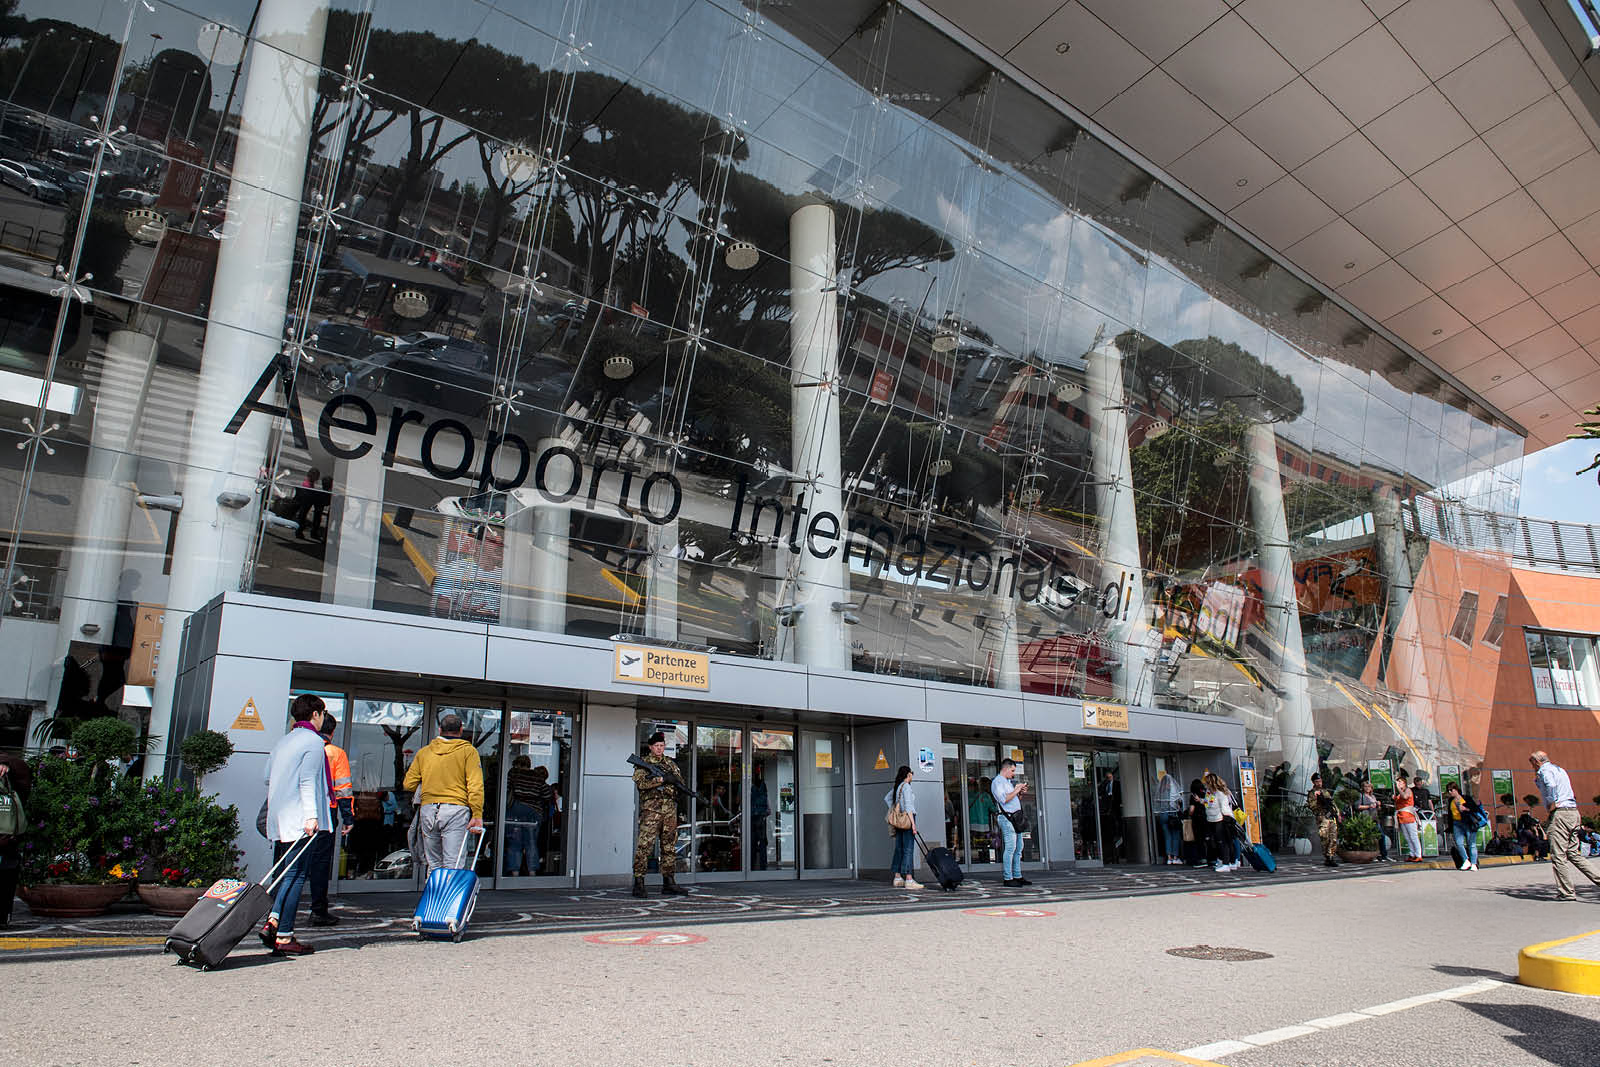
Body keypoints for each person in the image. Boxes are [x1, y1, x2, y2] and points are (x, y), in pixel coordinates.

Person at [260, 694, 331, 955]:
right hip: (301, 819)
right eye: (322, 714)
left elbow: (267, 777)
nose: (323, 719)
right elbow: (308, 779)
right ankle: (284, 935)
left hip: (280, 818)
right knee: (296, 874)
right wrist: (311, 816)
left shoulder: (284, 741)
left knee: (285, 873)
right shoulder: (313, 741)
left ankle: (274, 921)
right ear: (315, 714)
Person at [402, 713, 484, 881]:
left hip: (428, 811)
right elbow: (475, 786)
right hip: (456, 811)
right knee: (453, 864)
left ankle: (433, 896)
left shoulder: (424, 753)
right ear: (461, 730)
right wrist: (477, 814)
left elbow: (408, 784)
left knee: (433, 865)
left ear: (440, 730)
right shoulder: (468, 752)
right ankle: (449, 897)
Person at [1529, 750, 1600, 901]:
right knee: (1573, 853)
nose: (1532, 766)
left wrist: (1551, 803)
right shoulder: (1559, 770)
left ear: (1536, 762)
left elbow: (1551, 785)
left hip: (1560, 813)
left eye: (1532, 763)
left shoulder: (1545, 771)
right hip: (1573, 812)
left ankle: (1566, 892)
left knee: (1558, 855)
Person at [305, 714, 354, 926]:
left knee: (294, 864)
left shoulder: (304, 749)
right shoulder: (336, 753)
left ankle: (278, 913)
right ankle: (318, 910)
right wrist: (348, 817)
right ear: (332, 732)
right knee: (320, 863)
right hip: (325, 815)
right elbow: (343, 789)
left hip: (299, 813)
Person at [632, 732, 688, 897]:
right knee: (645, 846)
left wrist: (673, 781)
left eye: (662, 746)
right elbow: (641, 784)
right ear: (650, 747)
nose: (659, 748)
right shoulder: (644, 763)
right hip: (652, 810)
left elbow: (680, 782)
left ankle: (669, 882)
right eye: (656, 746)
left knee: (669, 846)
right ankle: (639, 882)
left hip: (669, 810)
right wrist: (660, 780)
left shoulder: (670, 763)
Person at [0, 752, 34, 929]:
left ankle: (2, 916)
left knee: (6, 873)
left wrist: (4, 762)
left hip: (6, 840)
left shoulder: (12, 777)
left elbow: (22, 768)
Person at [504, 756, 551, 877]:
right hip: (533, 812)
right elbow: (547, 794)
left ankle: (515, 872)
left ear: (517, 764)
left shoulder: (514, 773)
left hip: (516, 810)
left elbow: (504, 789)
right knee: (531, 843)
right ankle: (532, 872)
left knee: (515, 843)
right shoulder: (537, 776)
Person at [992, 758, 1030, 887]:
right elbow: (1004, 799)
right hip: (1006, 818)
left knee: (1019, 848)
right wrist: (1016, 789)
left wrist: (1020, 793)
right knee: (1010, 848)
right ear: (1006, 769)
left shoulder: (1007, 782)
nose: (1013, 774)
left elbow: (1013, 799)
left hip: (1015, 818)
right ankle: (1008, 878)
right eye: (1012, 771)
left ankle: (1017, 875)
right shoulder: (998, 782)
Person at [885, 765, 922, 890]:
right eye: (912, 773)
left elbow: (887, 798)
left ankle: (897, 877)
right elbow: (909, 806)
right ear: (908, 774)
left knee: (899, 848)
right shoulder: (906, 786)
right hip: (907, 819)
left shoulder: (898, 786)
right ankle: (909, 879)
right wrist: (913, 824)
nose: (912, 775)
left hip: (899, 820)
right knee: (908, 849)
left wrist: (897, 810)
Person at [1203, 771, 1238, 872]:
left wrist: (1228, 819)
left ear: (1211, 783)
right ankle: (1225, 861)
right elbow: (1207, 804)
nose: (1205, 785)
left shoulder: (1220, 793)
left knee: (1223, 842)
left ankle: (1227, 863)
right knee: (1217, 842)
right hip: (1211, 819)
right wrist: (1201, 801)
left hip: (1220, 819)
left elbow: (1224, 807)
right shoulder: (1209, 793)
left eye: (1207, 783)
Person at [1307, 772, 1340, 868]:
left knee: (1333, 837)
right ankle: (1327, 856)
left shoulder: (1325, 791)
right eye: (1317, 781)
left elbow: (1332, 803)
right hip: (1322, 817)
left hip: (1331, 816)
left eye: (1320, 781)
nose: (1319, 783)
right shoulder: (1312, 793)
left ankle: (1331, 856)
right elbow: (1312, 806)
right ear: (1313, 782)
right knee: (1324, 837)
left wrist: (1337, 813)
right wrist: (1319, 800)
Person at [1443, 782, 1479, 871]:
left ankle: (1474, 863)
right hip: (1456, 823)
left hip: (1468, 823)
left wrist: (1465, 808)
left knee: (1471, 844)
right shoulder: (1451, 800)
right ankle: (1466, 860)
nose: (1450, 792)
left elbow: (1475, 808)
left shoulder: (1466, 798)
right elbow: (1450, 813)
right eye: (1448, 790)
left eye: (1451, 790)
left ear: (1456, 789)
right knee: (1459, 843)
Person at [1154, 769, 1185, 865]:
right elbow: (1177, 802)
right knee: (1175, 835)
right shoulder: (1172, 790)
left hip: (1163, 815)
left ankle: (1169, 858)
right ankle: (1175, 857)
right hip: (1172, 814)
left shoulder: (1160, 790)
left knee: (1167, 836)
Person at [1394, 772, 1423, 862]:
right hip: (1401, 816)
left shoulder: (1408, 790)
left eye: (1400, 782)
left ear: (1404, 783)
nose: (1399, 784)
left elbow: (1405, 797)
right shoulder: (1399, 793)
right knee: (1407, 837)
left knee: (1413, 836)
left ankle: (1418, 854)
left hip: (1408, 816)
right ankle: (1412, 853)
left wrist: (1398, 789)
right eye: (1398, 782)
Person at [1356, 780, 1387, 862]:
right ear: (1363, 788)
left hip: (1374, 818)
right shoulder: (1361, 796)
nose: (1367, 788)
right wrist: (1369, 806)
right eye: (1365, 786)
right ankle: (1372, 855)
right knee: (1370, 837)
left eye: (1369, 786)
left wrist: (1378, 805)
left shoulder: (1373, 796)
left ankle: (1383, 854)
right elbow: (1358, 806)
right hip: (1366, 818)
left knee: (1381, 836)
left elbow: (1377, 808)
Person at [750, 764, 770, 872]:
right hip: (762, 818)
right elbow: (767, 803)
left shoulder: (749, 786)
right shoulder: (763, 785)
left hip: (753, 817)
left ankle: (751, 866)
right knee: (762, 842)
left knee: (752, 842)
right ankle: (763, 866)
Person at [1187, 779, 1210, 868]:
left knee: (1199, 840)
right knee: (1207, 839)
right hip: (1207, 818)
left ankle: (1202, 859)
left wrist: (1189, 814)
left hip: (1197, 820)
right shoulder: (1206, 793)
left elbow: (1191, 810)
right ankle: (1212, 859)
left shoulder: (1193, 796)